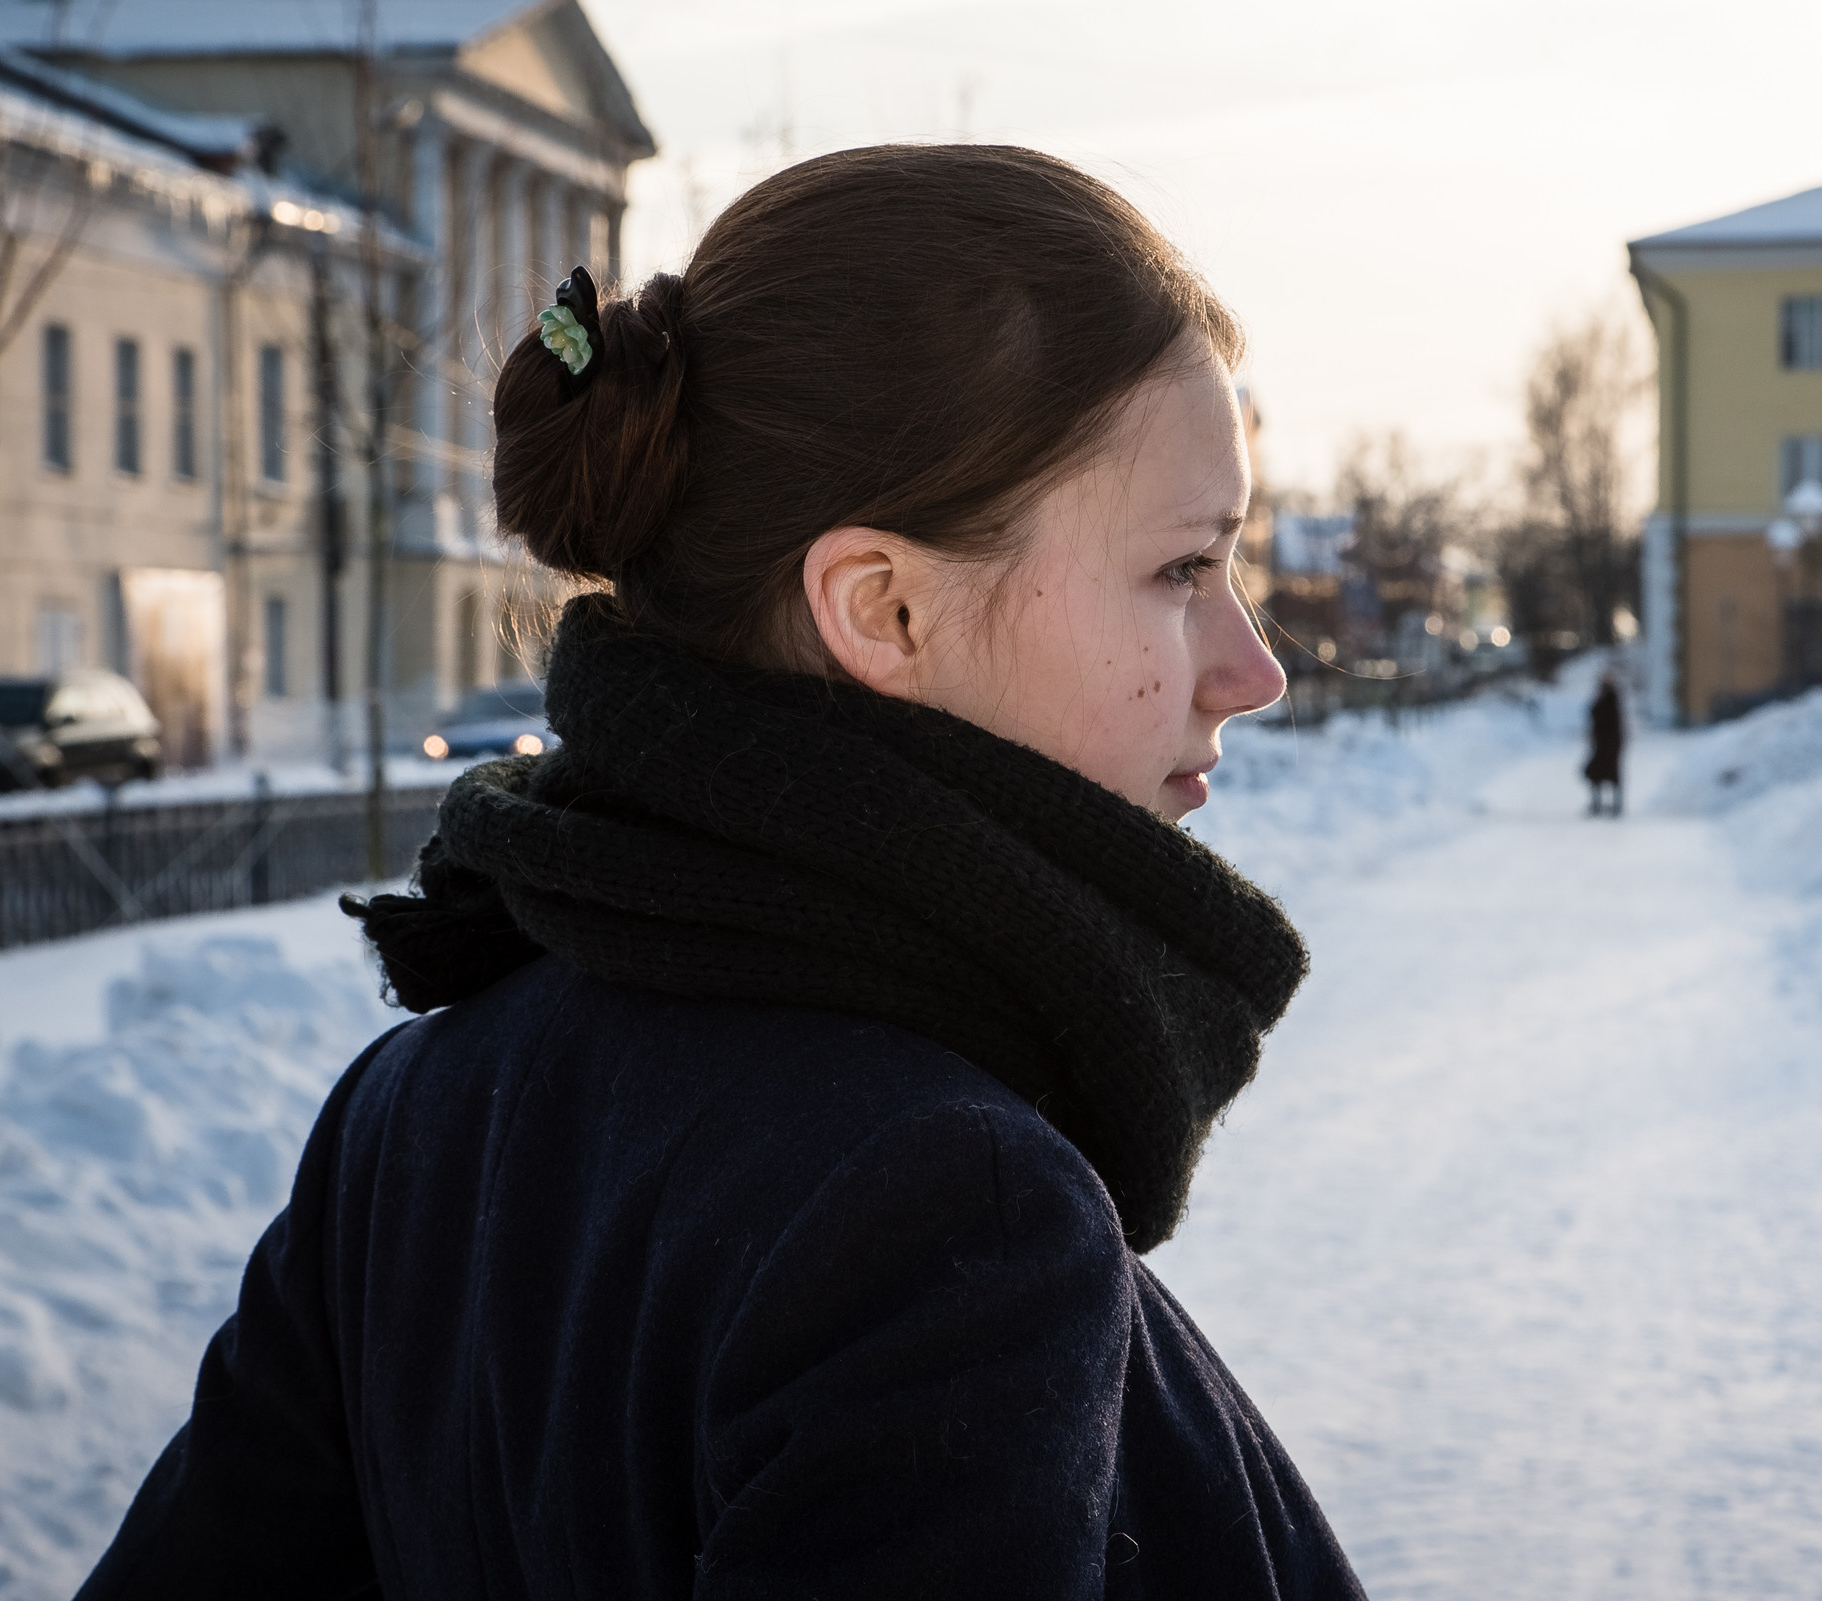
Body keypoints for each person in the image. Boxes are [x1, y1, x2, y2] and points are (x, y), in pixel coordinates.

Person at [77, 146, 1366, 1600]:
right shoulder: (951, 1210)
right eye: (1185, 568)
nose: (1252, 670)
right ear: (882, 606)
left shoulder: (420, 1109)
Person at [1585, 671, 1626, 817]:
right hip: (1604, 745)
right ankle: (1602, 804)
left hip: (1608, 746)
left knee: (1607, 774)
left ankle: (1613, 805)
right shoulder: (1607, 699)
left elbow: (1601, 718)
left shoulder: (1610, 699)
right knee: (1597, 774)